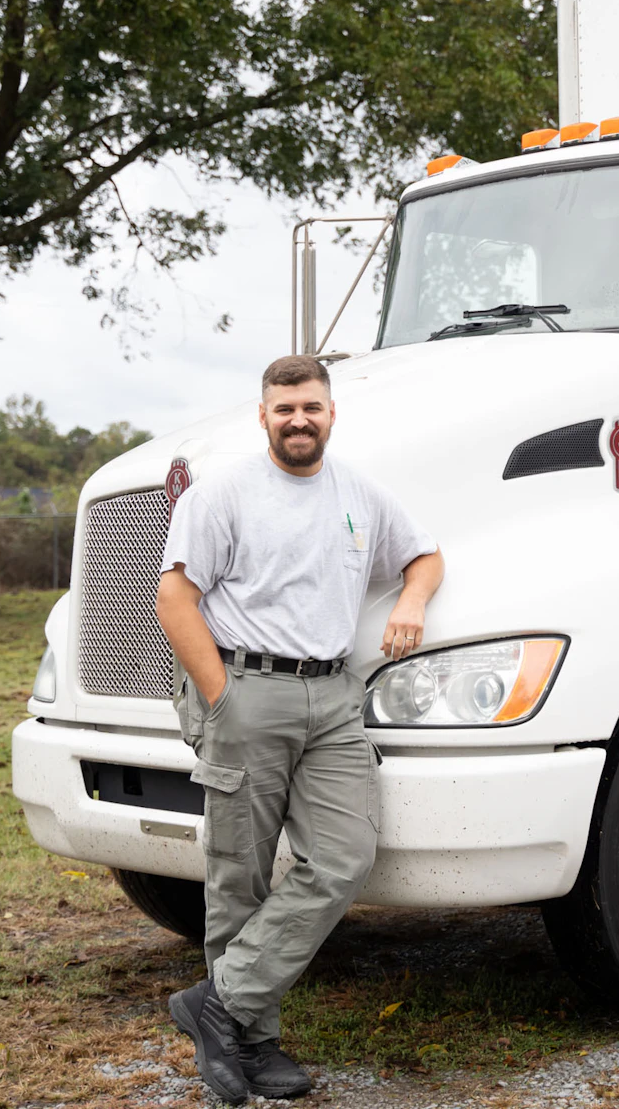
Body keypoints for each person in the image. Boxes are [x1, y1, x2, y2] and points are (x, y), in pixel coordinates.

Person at [154, 354, 444, 1102]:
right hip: (247, 689)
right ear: (263, 416)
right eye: (284, 409)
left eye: (311, 407)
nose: (299, 420)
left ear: (331, 412)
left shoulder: (359, 492)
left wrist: (411, 600)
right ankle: (251, 1045)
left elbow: (425, 555)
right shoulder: (226, 494)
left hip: (332, 696)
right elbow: (175, 600)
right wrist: (221, 699)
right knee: (239, 874)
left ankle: (216, 1006)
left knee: (344, 858)